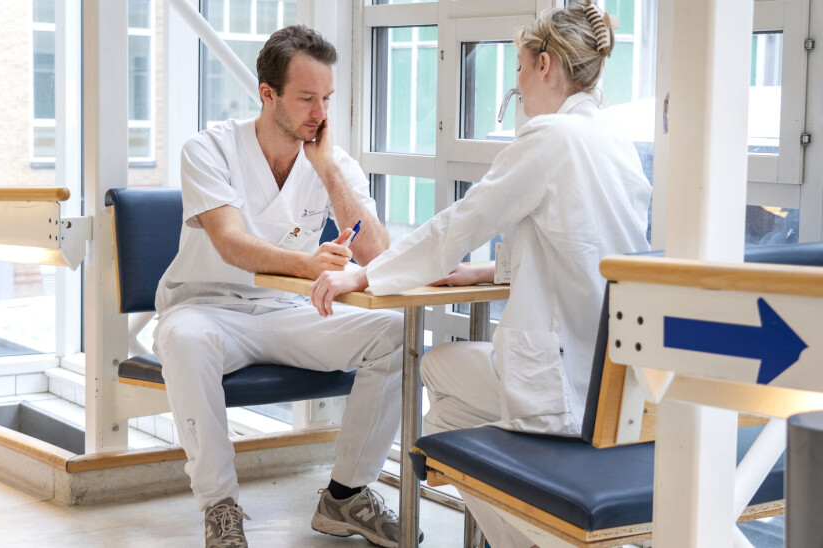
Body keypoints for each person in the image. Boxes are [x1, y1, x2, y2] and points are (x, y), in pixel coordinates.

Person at [310, 2, 651, 546]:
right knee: (449, 397)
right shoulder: (614, 141)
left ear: (544, 65)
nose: (519, 92)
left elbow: (460, 223)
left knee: (442, 406)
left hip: (566, 386)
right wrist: (487, 271)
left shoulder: (550, 136)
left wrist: (367, 276)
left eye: (518, 73)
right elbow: (583, 244)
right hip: (618, 380)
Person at [153, 25, 408, 548]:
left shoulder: (331, 160)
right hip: (206, 309)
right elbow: (230, 243)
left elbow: (377, 254)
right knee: (184, 340)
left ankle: (345, 496)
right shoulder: (209, 149)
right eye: (307, 98)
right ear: (267, 94)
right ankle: (220, 506)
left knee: (396, 332)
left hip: (285, 310)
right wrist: (310, 267)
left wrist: (328, 170)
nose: (320, 113)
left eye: (327, 98)